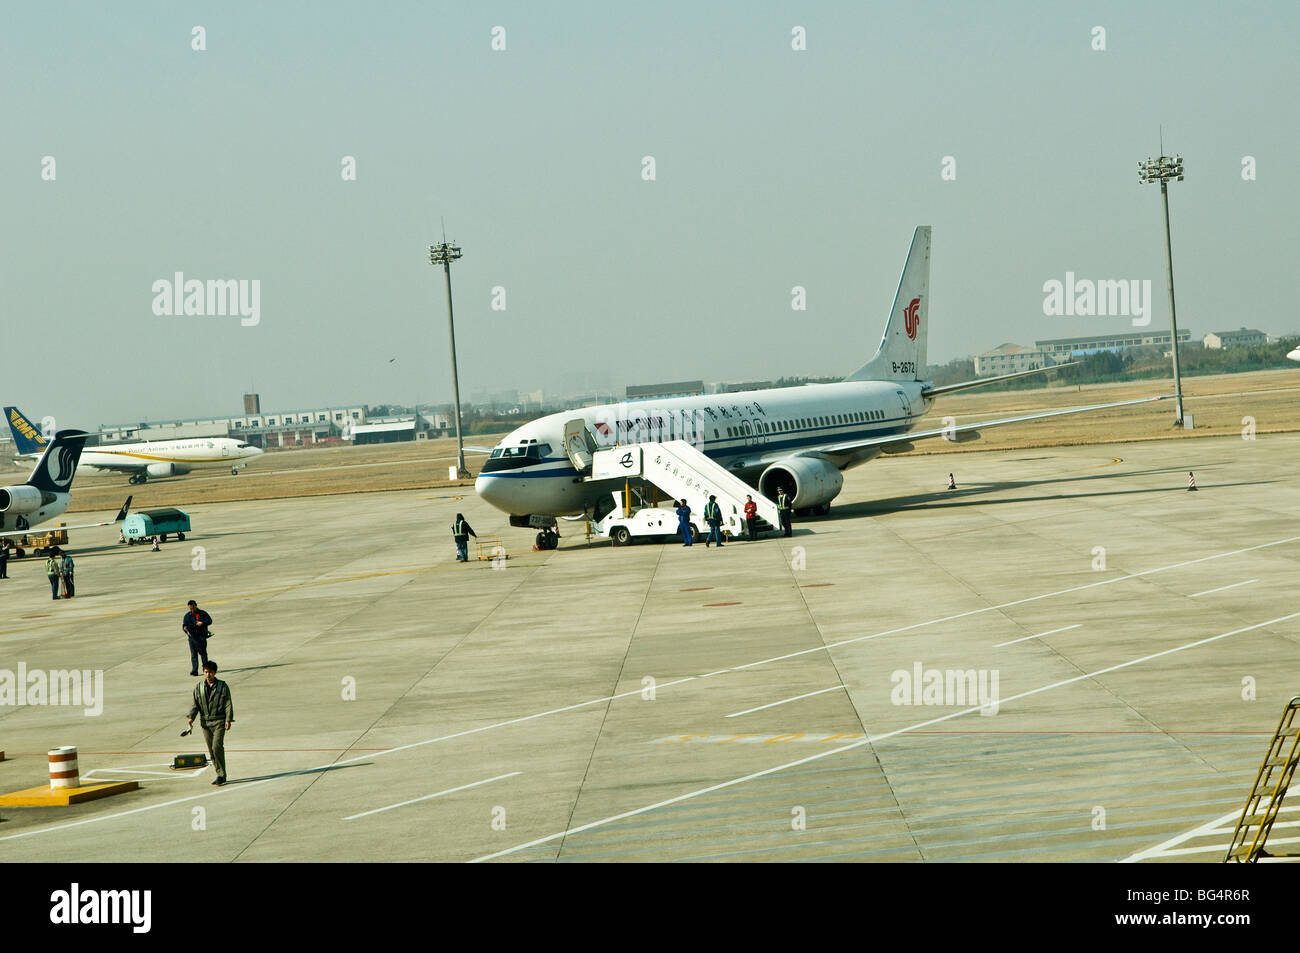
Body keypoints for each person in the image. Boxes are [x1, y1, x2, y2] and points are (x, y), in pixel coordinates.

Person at [186, 660, 234, 786]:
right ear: (203, 672)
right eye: (206, 672)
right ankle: (219, 773)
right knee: (211, 751)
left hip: (219, 721)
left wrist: (228, 719)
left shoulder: (223, 686)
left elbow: (228, 704)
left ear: (215, 673)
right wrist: (191, 718)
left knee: (216, 746)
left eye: (210, 672)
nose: (208, 675)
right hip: (205, 724)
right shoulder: (199, 687)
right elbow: (195, 704)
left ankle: (221, 775)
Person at [182, 599, 214, 676]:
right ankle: (194, 670)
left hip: (201, 637)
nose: (192, 610)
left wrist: (202, 623)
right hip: (192, 638)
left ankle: (206, 669)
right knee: (193, 655)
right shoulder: (187, 616)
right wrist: (184, 628)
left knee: (203, 654)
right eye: (190, 608)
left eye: (193, 608)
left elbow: (210, 621)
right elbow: (184, 624)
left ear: (196, 606)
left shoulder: (203, 613)